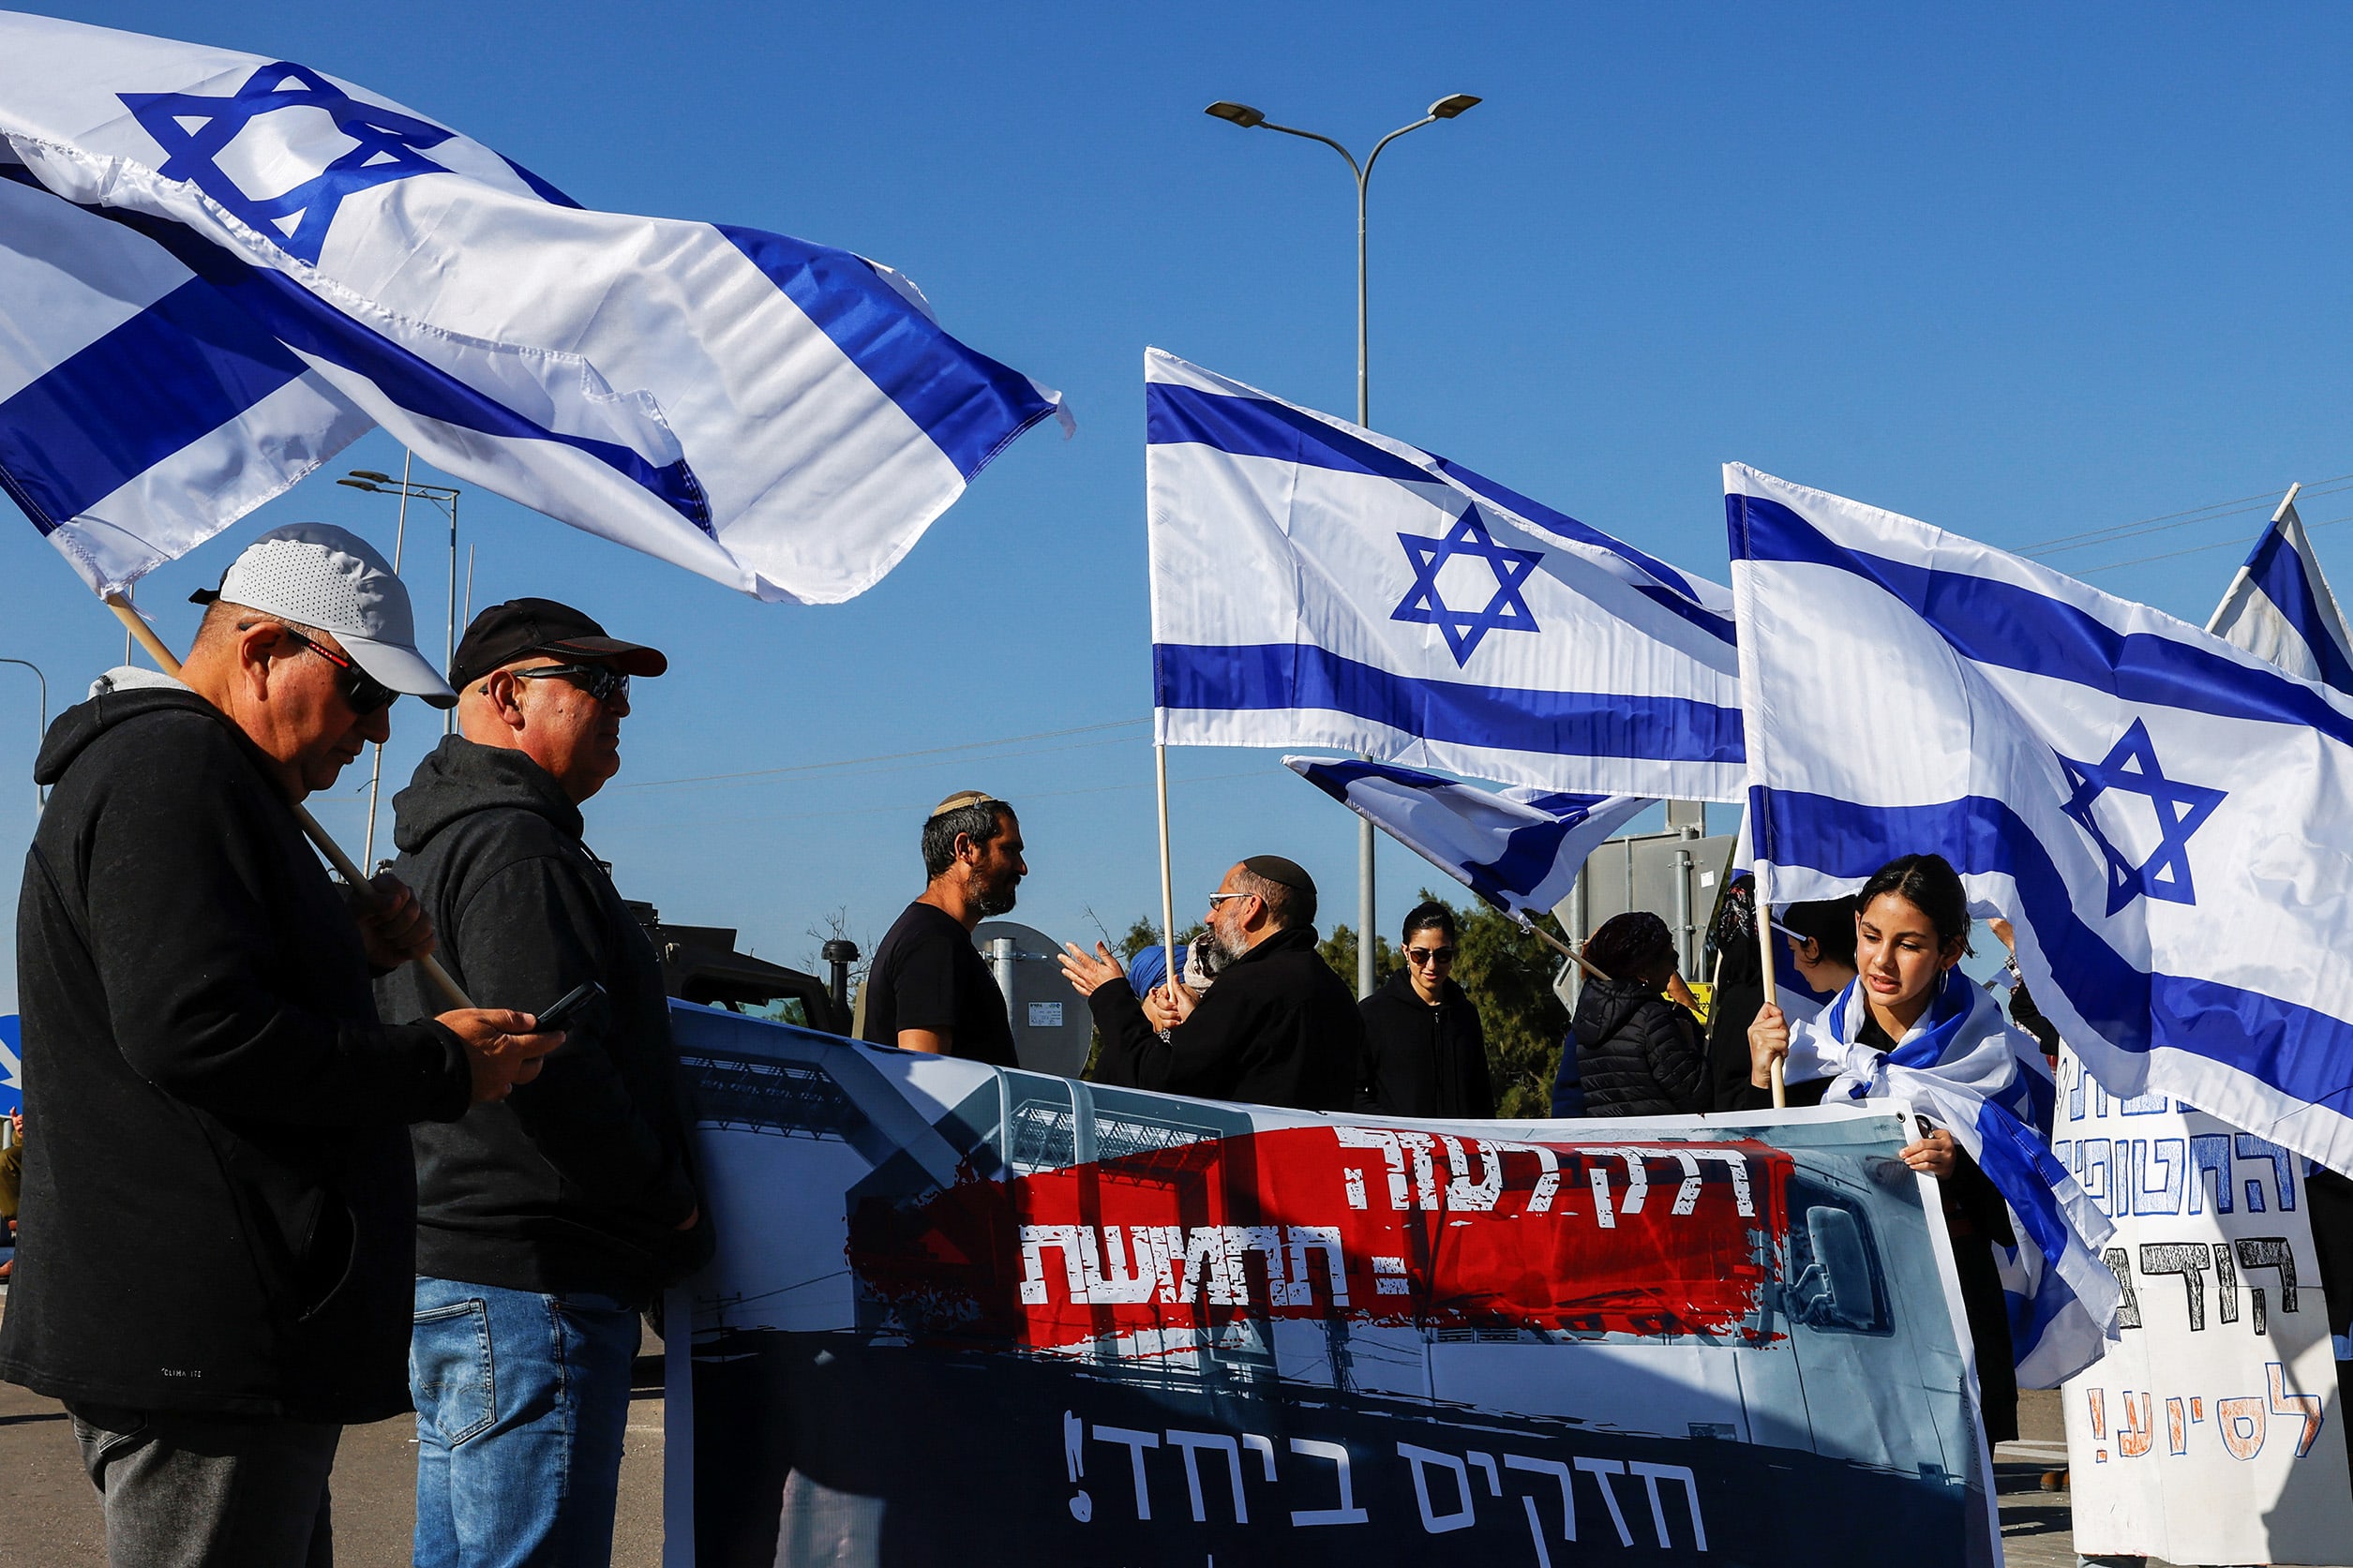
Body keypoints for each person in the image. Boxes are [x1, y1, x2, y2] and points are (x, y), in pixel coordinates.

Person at [0, 524, 559, 1568]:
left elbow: (202, 989)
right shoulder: (174, 767)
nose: (378, 729)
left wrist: (341, 948)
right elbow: (196, 1031)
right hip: (204, 1335)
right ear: (259, 650)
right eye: (362, 691)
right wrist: (439, 1064)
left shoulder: (196, 776)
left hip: (226, 1336)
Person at [376, 597, 711, 1568]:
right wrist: (672, 1206)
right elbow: (555, 1060)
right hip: (533, 1284)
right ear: (506, 694)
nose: (621, 710)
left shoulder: (441, 840)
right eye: (598, 685)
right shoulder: (517, 847)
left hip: (464, 1267)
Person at [1745, 853, 2028, 1442]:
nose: (1881, 960)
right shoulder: (1809, 1045)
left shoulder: (1984, 1048)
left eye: (1909, 944)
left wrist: (1960, 1162)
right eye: (1871, 935)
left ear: (1950, 952)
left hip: (1950, 1303)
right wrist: (1756, 1074)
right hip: (1840, 1298)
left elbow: (2024, 1191)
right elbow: (1761, 1162)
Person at [1059, 857, 1364, 1111]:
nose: (1209, 917)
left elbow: (1161, 1081)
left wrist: (1111, 996)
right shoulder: (1329, 985)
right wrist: (1197, 1023)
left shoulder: (1251, 983)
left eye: (1218, 903)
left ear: (1251, 907)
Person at [859, 792, 1027, 1066]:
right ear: (965, 849)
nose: (1022, 868)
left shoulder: (935, 936)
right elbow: (924, 1079)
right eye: (1009, 850)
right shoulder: (932, 942)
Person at [1559, 911, 1707, 1117]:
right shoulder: (1652, 1019)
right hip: (1662, 1145)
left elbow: (1568, 1104)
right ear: (1645, 968)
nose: (1674, 969)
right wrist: (1691, 1045)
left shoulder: (1587, 1020)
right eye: (1671, 958)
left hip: (1610, 1146)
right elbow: (1698, 1098)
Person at [1359, 902, 1493, 1119]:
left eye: (1442, 955)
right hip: (1400, 1148)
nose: (1431, 966)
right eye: (1420, 955)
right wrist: (1392, 1128)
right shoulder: (1373, 1014)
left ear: (1453, 952)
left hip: (1459, 1150)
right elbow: (1352, 1092)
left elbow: (1481, 1096)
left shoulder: (1465, 1014)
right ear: (1405, 951)